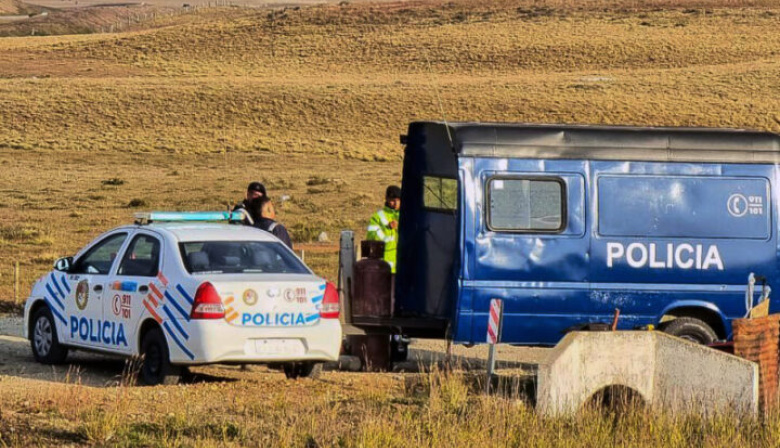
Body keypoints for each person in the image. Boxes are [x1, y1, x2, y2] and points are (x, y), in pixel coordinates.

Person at [367, 185, 401, 273]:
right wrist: (387, 228)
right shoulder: (377, 217)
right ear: (386, 199)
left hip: (403, 267)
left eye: (397, 200)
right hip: (384, 267)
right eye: (393, 200)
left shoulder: (407, 215)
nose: (395, 203)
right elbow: (371, 238)